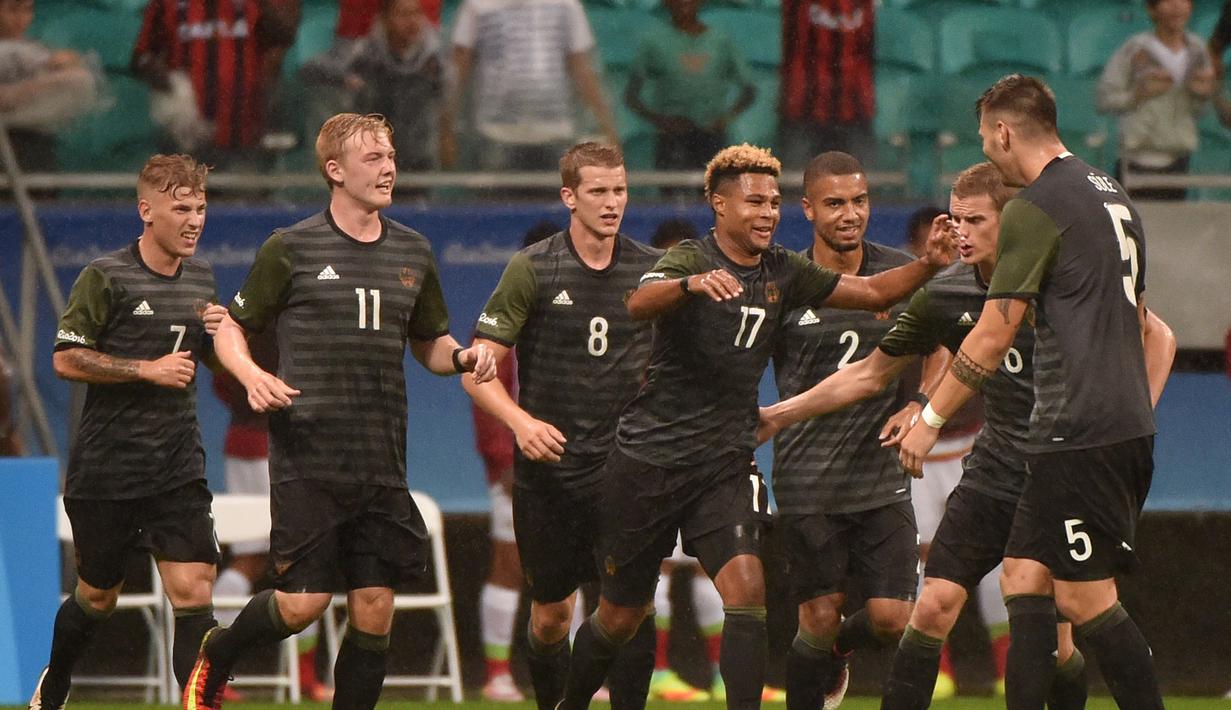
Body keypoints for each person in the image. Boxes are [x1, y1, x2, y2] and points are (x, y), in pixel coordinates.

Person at [758, 161, 1175, 709]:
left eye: (975, 220)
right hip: (996, 465)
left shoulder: (1064, 281)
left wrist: (1130, 417)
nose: (960, 233)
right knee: (930, 606)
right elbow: (870, 371)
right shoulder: (948, 292)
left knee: (1062, 623)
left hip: (1061, 465)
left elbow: (1159, 336)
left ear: (1014, 224)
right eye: (954, 220)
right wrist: (778, 415)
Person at [557, 143, 955, 710]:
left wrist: (930, 266)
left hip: (725, 461)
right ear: (719, 205)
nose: (767, 213)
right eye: (754, 202)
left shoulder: (784, 271)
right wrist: (690, 288)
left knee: (747, 592)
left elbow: (871, 293)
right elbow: (637, 301)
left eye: (772, 202)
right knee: (619, 616)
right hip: (649, 461)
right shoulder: (691, 260)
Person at [183, 113, 496, 710]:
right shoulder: (290, 247)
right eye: (373, 157)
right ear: (335, 171)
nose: (387, 167)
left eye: (391, 155)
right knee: (304, 604)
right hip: (309, 454)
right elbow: (229, 330)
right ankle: (218, 651)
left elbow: (429, 341)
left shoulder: (413, 249)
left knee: (375, 607)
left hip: (381, 456)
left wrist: (462, 357)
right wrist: (252, 375)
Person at [897, 74, 1174, 710]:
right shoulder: (1113, 195)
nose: (987, 151)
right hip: (1110, 425)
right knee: (1026, 581)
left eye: (985, 139)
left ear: (1002, 131)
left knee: (1084, 600)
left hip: (1075, 428)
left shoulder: (1036, 205)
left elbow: (996, 330)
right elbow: (1143, 324)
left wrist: (931, 416)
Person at [462, 142, 662, 710]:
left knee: (629, 605)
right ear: (569, 197)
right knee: (553, 615)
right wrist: (520, 423)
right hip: (549, 471)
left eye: (619, 190)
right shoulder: (532, 268)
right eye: (598, 191)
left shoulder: (649, 270)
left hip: (626, 469)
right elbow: (477, 374)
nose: (612, 202)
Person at [28, 154, 228, 710]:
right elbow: (66, 360)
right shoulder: (106, 276)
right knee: (98, 596)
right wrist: (145, 369)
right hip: (107, 471)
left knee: (194, 593)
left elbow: (210, 361)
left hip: (177, 468)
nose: (194, 220)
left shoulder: (204, 279)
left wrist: (232, 346)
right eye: (181, 208)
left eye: (201, 208)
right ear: (147, 210)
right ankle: (57, 680)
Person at [768, 150, 919, 710]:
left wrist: (923, 403)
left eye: (858, 201)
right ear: (807, 209)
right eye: (834, 204)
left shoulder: (901, 272)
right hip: (807, 478)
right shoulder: (784, 280)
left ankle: (839, 655)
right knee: (818, 615)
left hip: (881, 476)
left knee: (890, 619)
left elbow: (950, 338)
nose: (849, 214)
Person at [902, 205, 1000, 701]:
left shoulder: (995, 289)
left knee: (1000, 563)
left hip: (973, 444)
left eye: (956, 230)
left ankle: (1007, 669)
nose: (948, 242)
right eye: (933, 238)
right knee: (922, 562)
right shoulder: (908, 296)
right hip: (920, 450)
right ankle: (935, 672)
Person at [471, 219, 559, 703]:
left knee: (572, 568)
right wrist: (502, 460)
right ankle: (497, 674)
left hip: (571, 462)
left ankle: (577, 672)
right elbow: (484, 388)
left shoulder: (574, 306)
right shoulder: (502, 314)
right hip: (516, 465)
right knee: (508, 565)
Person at [444, 0, 619, 170]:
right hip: (496, 135)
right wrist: (446, 130)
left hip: (554, 133)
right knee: (496, 198)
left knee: (558, 198)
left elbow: (582, 69)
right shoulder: (478, 5)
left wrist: (608, 129)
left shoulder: (566, 5)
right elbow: (458, 70)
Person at [131, 0, 299, 165]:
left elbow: (283, 36)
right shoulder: (166, 4)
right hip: (185, 139)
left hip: (243, 139)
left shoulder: (252, 5)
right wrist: (163, 77)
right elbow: (141, 57)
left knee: (241, 190)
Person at [299, 0, 450, 172]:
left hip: (419, 155)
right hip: (373, 153)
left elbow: (447, 102)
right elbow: (310, 69)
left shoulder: (435, 59)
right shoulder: (365, 53)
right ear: (385, 20)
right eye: (403, 15)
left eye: (416, 14)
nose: (412, 21)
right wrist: (345, 78)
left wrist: (446, 136)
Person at [1097, 0, 1215, 200]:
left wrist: (1202, 95)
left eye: (1183, 0)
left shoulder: (1197, 49)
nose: (1177, 6)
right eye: (1168, 1)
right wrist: (1137, 95)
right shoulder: (1134, 48)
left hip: (1179, 162)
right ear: (1152, 9)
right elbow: (1104, 99)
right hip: (1134, 162)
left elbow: (1202, 111)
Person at [625, 0, 755, 172]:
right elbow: (631, 97)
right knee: (671, 195)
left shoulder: (720, 41)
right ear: (666, 3)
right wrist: (661, 121)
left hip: (712, 137)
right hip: (671, 139)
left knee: (712, 192)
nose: (684, 3)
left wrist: (724, 120)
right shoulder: (654, 43)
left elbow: (749, 90)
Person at [0, 0, 98, 172]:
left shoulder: (39, 51)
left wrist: (72, 62)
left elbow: (84, 88)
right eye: (13, 9)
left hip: (35, 145)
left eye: (28, 10)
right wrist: (49, 83)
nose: (21, 18)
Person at [778, 0, 875, 169]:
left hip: (851, 107)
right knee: (800, 175)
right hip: (806, 105)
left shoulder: (862, 5)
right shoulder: (798, 6)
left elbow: (866, 49)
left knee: (850, 174)